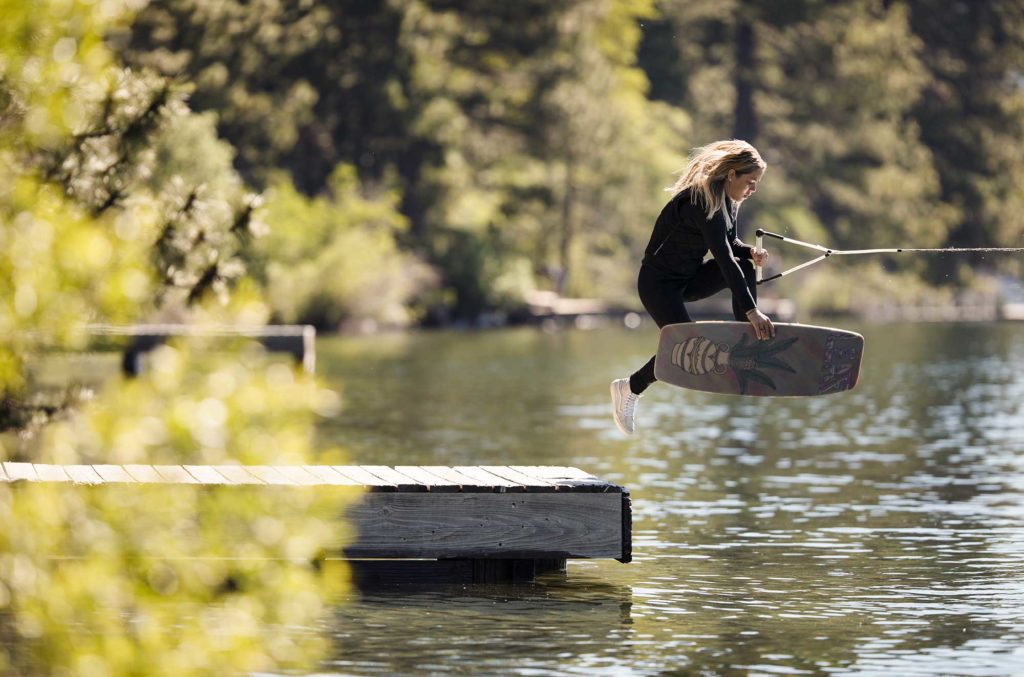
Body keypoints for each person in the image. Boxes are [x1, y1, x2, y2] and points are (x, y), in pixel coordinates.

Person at [611, 139, 775, 435]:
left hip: (689, 278)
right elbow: (724, 258)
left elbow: (732, 245)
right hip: (657, 284)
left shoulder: (728, 202)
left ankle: (747, 341)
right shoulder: (702, 201)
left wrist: (750, 251)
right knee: (685, 348)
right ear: (731, 175)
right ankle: (630, 387)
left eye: (757, 184)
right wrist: (753, 310)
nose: (753, 190)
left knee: (746, 266)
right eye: (750, 182)